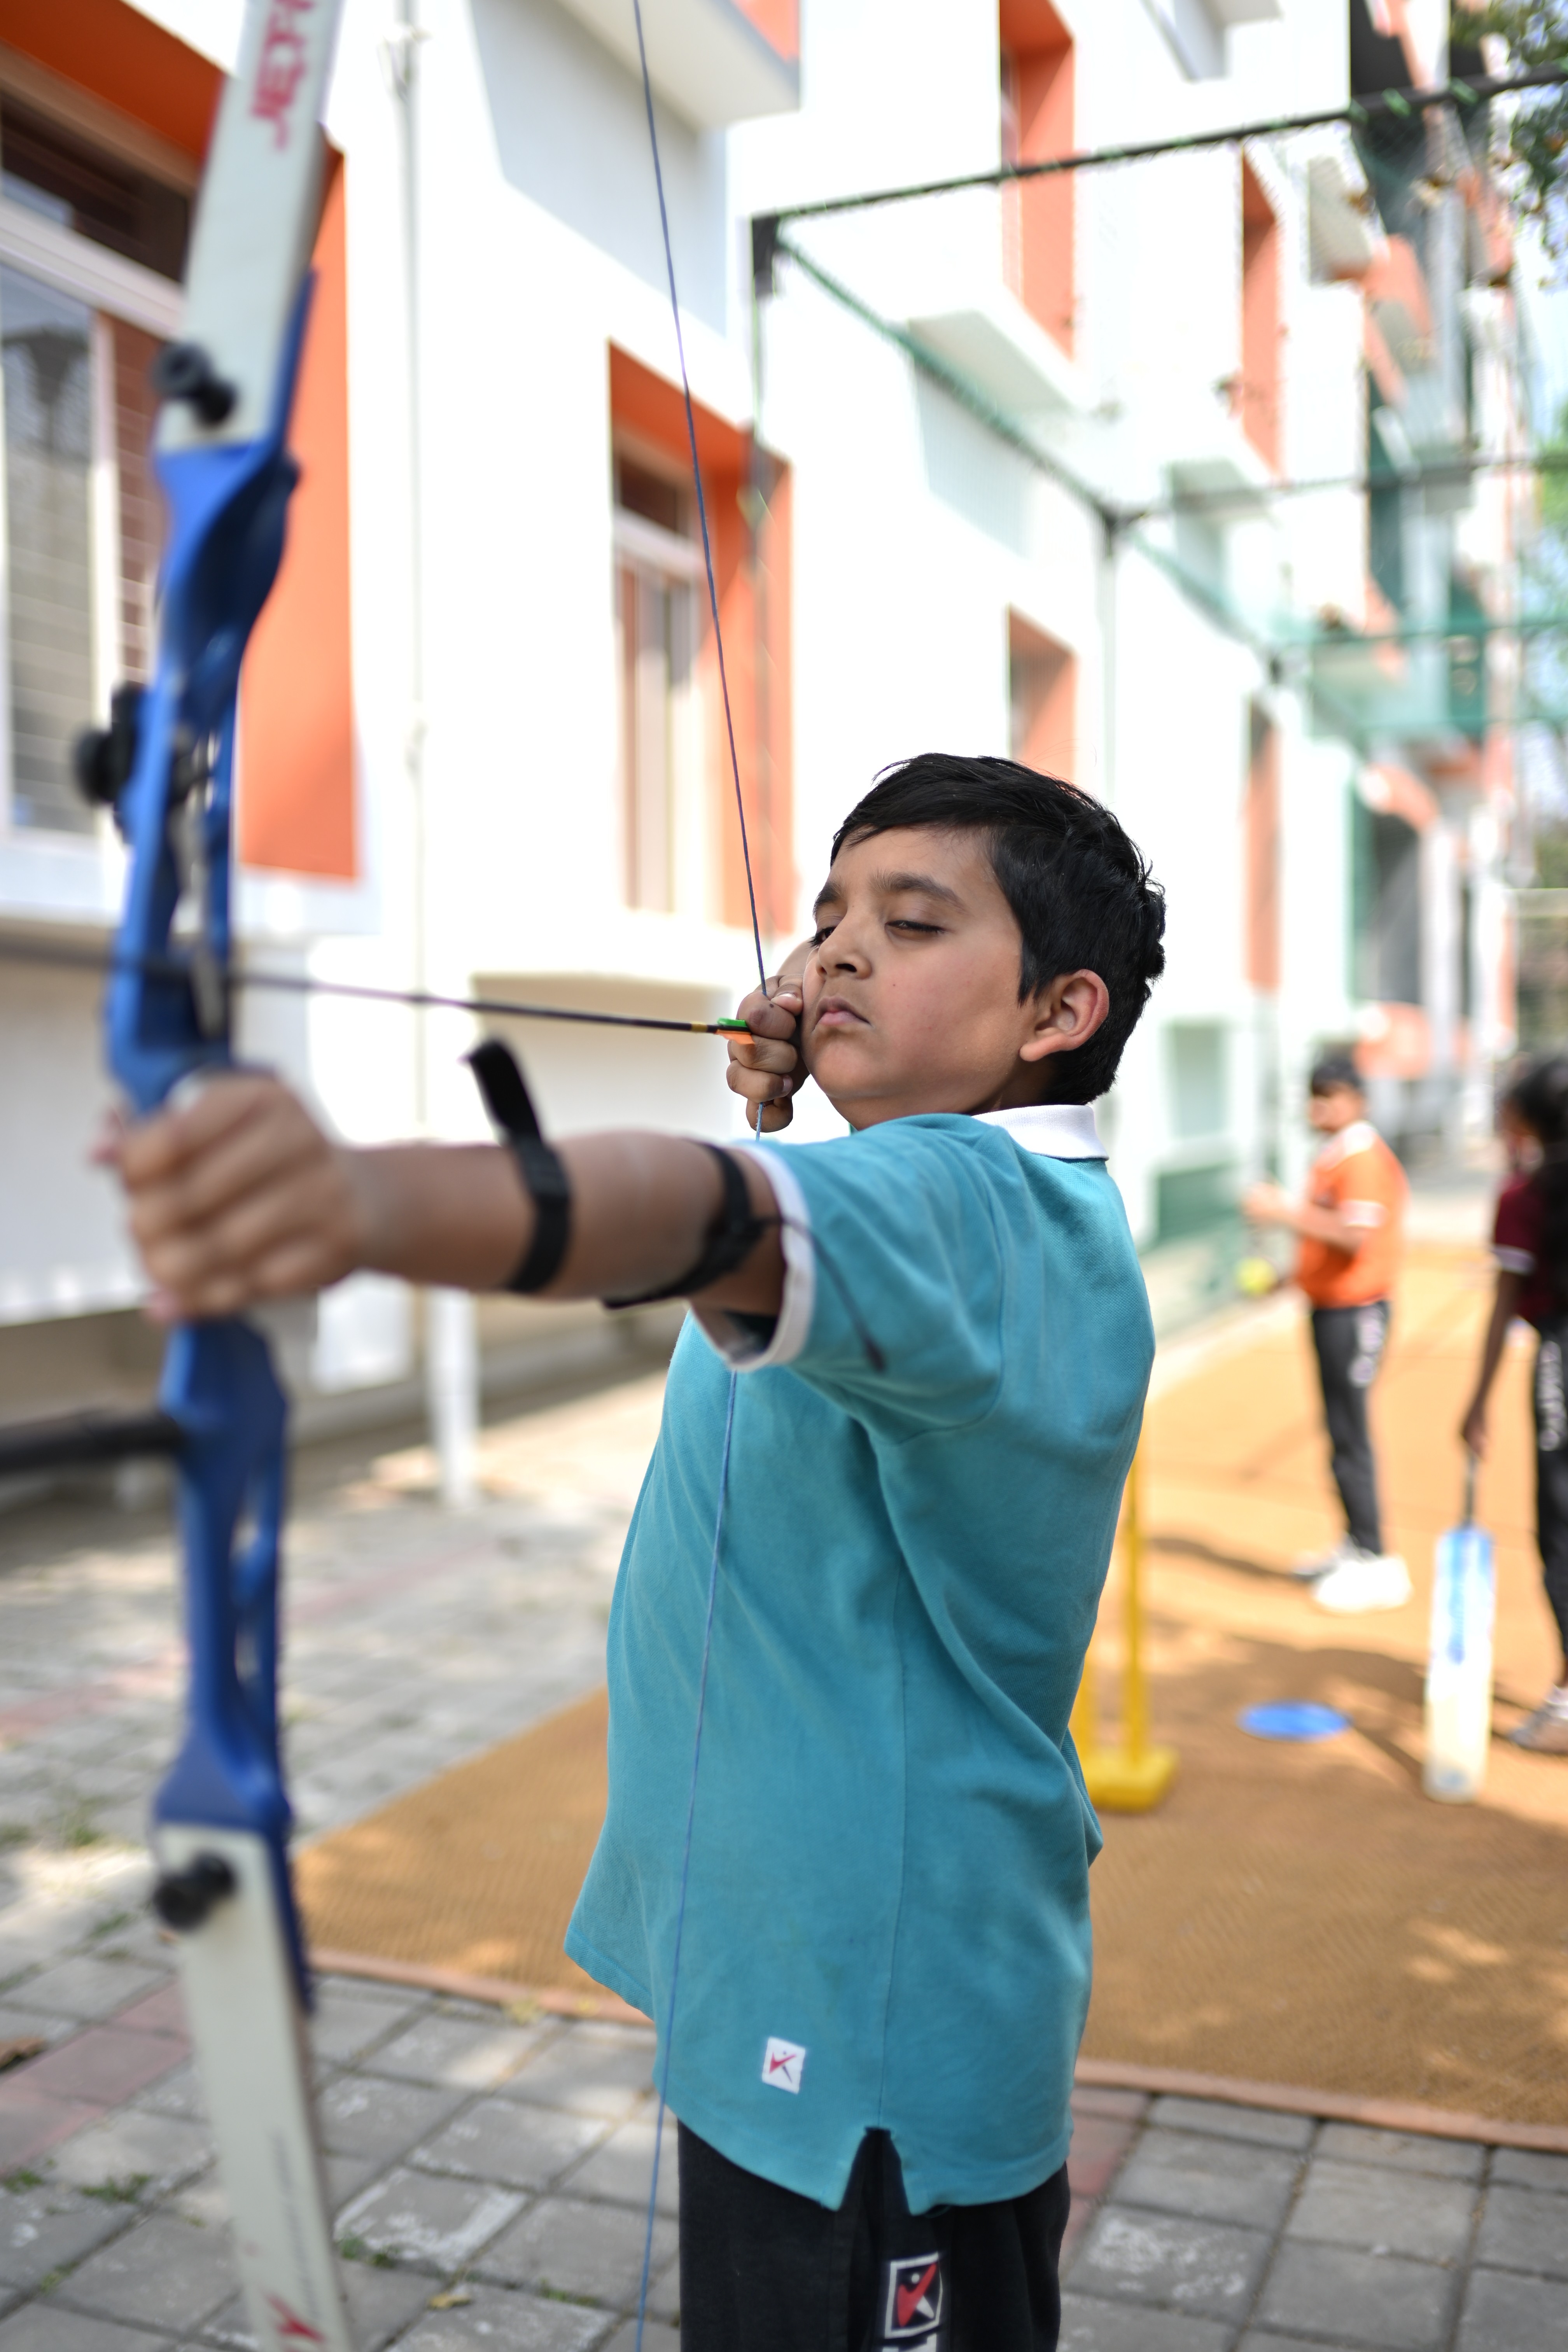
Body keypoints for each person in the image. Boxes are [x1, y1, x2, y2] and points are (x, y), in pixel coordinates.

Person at [107, 753, 1167, 2352]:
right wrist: (782, 1117)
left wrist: (357, 1198)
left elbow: (694, 1214)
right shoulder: (936, 1195)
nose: (838, 953)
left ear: (1058, 1013)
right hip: (809, 1984)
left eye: (914, 920)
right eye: (830, 917)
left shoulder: (974, 1206)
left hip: (866, 2043)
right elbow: (764, 1220)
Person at [1244, 1051, 1410, 1613]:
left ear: (1357, 1101)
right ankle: (1356, 1543)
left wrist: (1281, 1211)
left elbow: (1353, 1239)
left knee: (1352, 1432)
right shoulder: (1335, 1156)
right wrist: (1290, 1279)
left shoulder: (1360, 1158)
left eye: (1331, 1095)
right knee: (1339, 1430)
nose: (1319, 1105)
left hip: (1357, 1311)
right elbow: (1327, 1244)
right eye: (1315, 1094)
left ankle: (1379, 1560)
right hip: (1331, 1307)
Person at [1460, 1056, 1568, 1755]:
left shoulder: (1526, 1195)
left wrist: (1476, 1403)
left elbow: (1504, 1305)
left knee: (1560, 1528)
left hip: (1560, 1356)